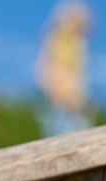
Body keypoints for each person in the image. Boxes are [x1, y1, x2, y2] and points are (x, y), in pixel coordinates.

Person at [37, 2, 92, 137]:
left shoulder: (77, 43)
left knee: (75, 127)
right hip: (64, 98)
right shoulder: (63, 39)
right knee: (64, 129)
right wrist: (67, 93)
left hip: (71, 98)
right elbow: (57, 70)